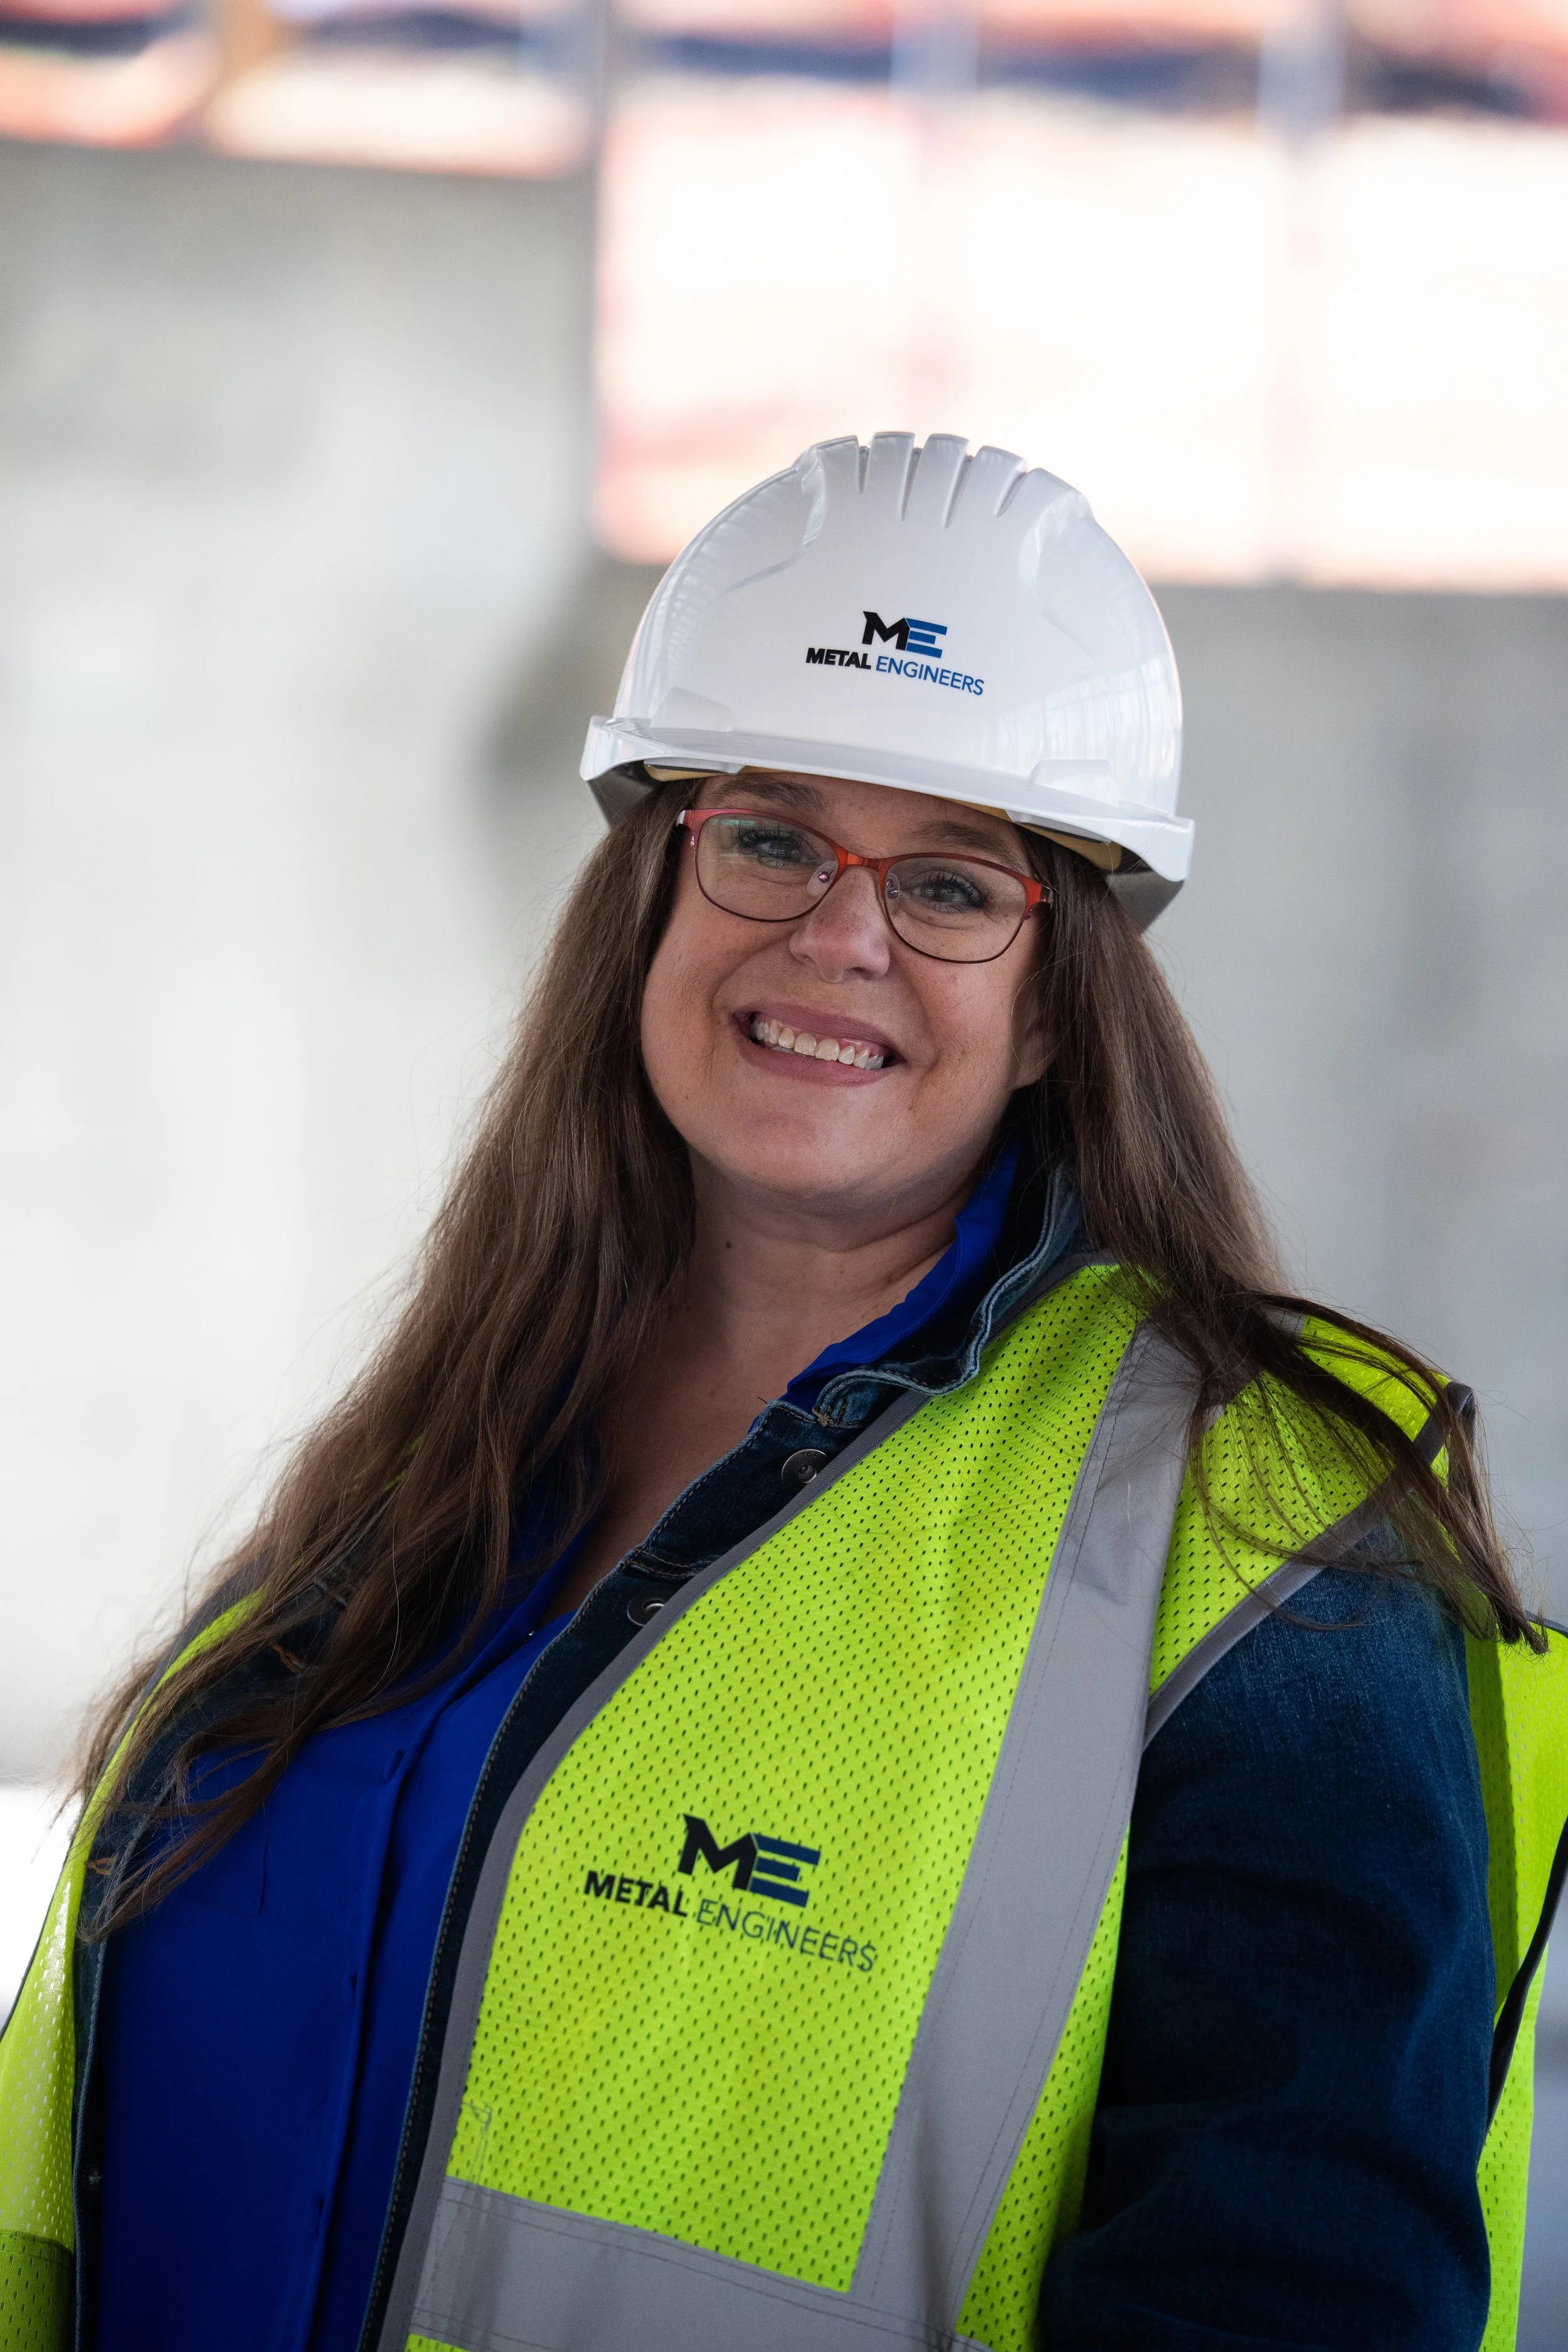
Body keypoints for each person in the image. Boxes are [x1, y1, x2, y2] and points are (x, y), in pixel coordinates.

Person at [1, 433, 1564, 2352]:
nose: (836, 933)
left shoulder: (1261, 1535)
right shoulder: (442, 1449)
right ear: (652, 890)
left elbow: (1291, 2293)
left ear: (1060, 1001)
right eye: (766, 836)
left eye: (951, 882)